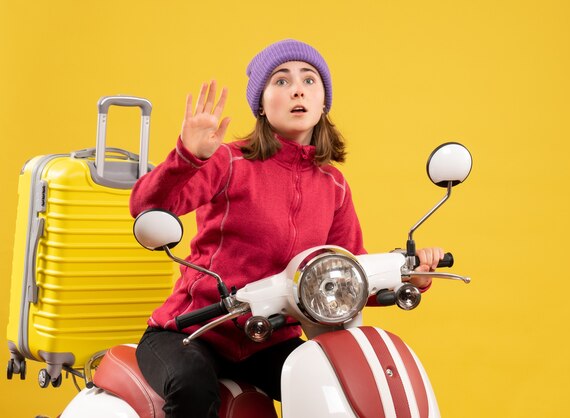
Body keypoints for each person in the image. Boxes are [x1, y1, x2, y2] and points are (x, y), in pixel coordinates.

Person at [129, 39, 445, 418]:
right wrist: (190, 156)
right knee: (192, 386)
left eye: (309, 80)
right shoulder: (229, 161)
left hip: (268, 336)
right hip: (192, 331)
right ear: (261, 104)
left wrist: (410, 277)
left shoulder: (333, 185)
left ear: (323, 102)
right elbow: (148, 207)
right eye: (281, 81)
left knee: (337, 382)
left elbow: (348, 272)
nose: (297, 88)